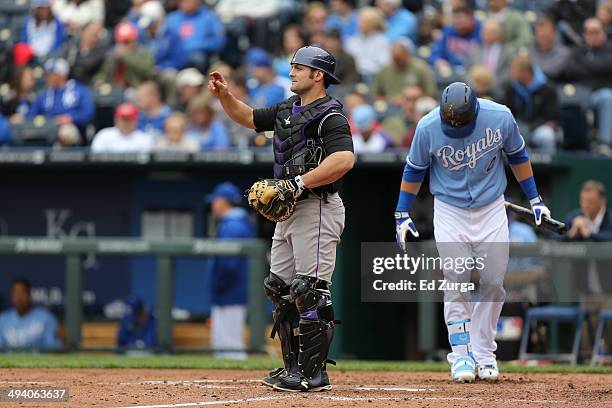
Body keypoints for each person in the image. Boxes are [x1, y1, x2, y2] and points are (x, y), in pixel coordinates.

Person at [208, 45, 354, 391]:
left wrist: (297, 182)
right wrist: (226, 96)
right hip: (289, 211)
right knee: (280, 288)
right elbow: (248, 118)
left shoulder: (330, 115)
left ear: (318, 75)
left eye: (298, 68)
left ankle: (313, 374)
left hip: (317, 205)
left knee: (310, 291)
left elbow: (344, 159)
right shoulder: (288, 108)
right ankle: (292, 368)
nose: (291, 73)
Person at [394, 82, 552, 382]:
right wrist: (402, 212)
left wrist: (535, 199)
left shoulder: (500, 116)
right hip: (449, 208)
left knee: (493, 282)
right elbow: (414, 169)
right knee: (457, 278)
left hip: (491, 206)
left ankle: (484, 351)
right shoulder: (428, 126)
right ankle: (462, 353)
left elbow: (518, 156)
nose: (455, 125)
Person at [205, 182, 256, 359]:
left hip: (230, 293)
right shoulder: (233, 223)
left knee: (229, 345)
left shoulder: (233, 226)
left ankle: (237, 383)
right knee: (223, 343)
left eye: (215, 200)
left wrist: (219, 286)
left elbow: (229, 265)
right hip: (229, 293)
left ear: (223, 202)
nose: (213, 204)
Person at [563, 18, 612, 152]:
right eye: (588, 32)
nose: (592, 35)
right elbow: (570, 69)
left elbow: (607, 66)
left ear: (604, 33)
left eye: (595, 32)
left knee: (608, 97)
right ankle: (573, 144)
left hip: (599, 93)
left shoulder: (609, 50)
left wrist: (586, 69)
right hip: (580, 93)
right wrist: (595, 70)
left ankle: (604, 143)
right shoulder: (577, 51)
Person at [27, 58, 95, 142]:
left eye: (51, 74)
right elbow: (31, 115)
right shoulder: (44, 95)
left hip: (71, 127)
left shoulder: (79, 91)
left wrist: (71, 118)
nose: (47, 77)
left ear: (61, 75)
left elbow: (88, 113)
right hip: (47, 127)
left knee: (65, 133)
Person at [502, 54, 558, 154]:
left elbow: (551, 116)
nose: (512, 73)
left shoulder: (547, 89)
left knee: (547, 136)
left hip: (540, 127)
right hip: (520, 126)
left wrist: (532, 126)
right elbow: (507, 112)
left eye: (515, 70)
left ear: (526, 72)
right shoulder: (512, 88)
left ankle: (549, 167)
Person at [565, 180, 612, 294]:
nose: (585, 205)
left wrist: (590, 234)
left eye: (590, 201)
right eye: (583, 200)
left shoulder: (610, 219)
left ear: (602, 201)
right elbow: (555, 240)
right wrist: (572, 233)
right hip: (584, 290)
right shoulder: (574, 217)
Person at [0, 278, 62, 350]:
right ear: (11, 296)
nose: (19, 298)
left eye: (22, 293)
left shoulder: (46, 318)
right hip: (10, 360)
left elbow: (54, 348)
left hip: (38, 360)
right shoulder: (2, 320)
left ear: (30, 295)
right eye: (15, 293)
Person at [166, 0, 226, 72]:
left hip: (199, 60)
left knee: (197, 58)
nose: (185, 2)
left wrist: (196, 45)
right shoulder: (172, 19)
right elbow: (164, 43)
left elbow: (219, 42)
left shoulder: (209, 17)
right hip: (174, 60)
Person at [372, 38, 437, 104]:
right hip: (390, 106)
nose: (398, 62)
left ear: (407, 54)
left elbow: (431, 94)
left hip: (415, 105)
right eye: (395, 59)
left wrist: (415, 97)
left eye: (400, 59)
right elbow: (376, 95)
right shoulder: (383, 70)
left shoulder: (420, 68)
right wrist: (391, 100)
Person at [94, 22, 155, 89]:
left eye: (126, 42)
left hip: (136, 89)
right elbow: (103, 73)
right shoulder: (112, 54)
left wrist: (125, 56)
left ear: (134, 40)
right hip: (114, 89)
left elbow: (148, 72)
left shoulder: (143, 53)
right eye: (120, 42)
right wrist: (99, 79)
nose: (123, 45)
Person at [430, 5, 481, 72]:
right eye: (455, 18)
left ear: (471, 19)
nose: (457, 22)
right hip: (451, 72)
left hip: (473, 73)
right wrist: (438, 61)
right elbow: (436, 54)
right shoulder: (448, 32)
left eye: (460, 18)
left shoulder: (482, 32)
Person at [529, 16, 570, 83]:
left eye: (546, 32)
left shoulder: (564, 53)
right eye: (540, 32)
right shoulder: (530, 52)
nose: (543, 34)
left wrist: (531, 70)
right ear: (535, 35)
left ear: (554, 33)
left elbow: (553, 71)